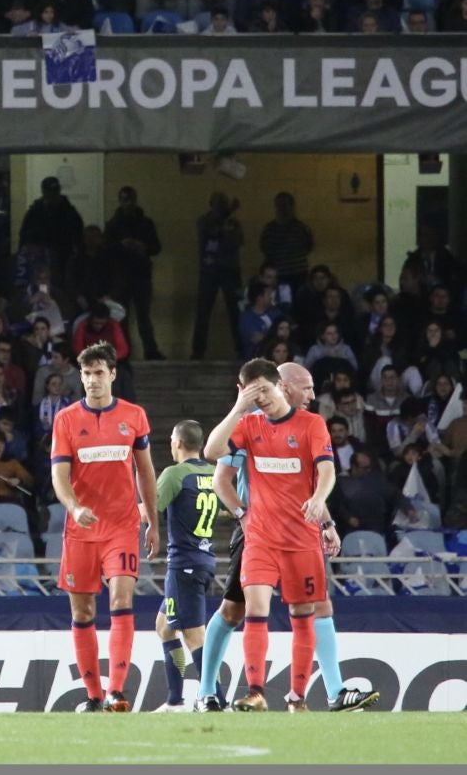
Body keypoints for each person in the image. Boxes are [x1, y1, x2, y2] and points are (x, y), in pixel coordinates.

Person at [196, 361, 378, 713]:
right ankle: (213, 690)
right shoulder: (247, 424)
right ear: (288, 386)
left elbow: (313, 479)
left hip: (301, 531)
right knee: (238, 609)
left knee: (314, 607)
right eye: (307, 388)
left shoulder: (310, 425)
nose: (312, 395)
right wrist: (242, 514)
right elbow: (218, 471)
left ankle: (319, 693)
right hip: (255, 530)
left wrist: (326, 521)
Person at [50, 341, 158, 712]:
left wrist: (153, 522)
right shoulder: (66, 419)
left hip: (122, 527)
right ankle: (93, 696)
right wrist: (74, 507)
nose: (92, 380)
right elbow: (59, 474)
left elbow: (145, 471)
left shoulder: (134, 416)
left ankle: (116, 690)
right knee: (82, 613)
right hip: (81, 530)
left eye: (99, 373)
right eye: (86, 373)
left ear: (112, 374)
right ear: (79, 377)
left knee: (121, 599)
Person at [152, 420, 216, 711]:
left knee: (194, 637)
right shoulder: (213, 473)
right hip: (204, 560)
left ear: (176, 443)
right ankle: (175, 701)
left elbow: (150, 509)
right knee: (164, 627)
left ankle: (215, 698)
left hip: (183, 565)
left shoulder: (174, 474)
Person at [104, 185, 164, 360]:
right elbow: (106, 248)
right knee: (121, 316)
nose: (127, 203)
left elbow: (156, 247)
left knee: (143, 316)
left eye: (129, 199)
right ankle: (124, 351)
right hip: (120, 276)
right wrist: (121, 245)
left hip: (141, 274)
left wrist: (142, 247)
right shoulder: (113, 224)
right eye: (124, 199)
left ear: (135, 200)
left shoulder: (145, 223)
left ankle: (150, 350)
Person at [192, 192, 245, 360]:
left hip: (230, 270)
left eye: (224, 203)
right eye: (218, 204)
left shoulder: (232, 222)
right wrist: (228, 215)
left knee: (236, 312)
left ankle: (240, 349)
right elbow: (212, 231)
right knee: (203, 312)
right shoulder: (204, 220)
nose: (221, 207)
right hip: (209, 271)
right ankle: (198, 351)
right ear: (211, 204)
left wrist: (229, 222)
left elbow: (238, 241)